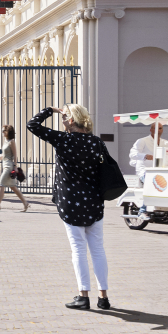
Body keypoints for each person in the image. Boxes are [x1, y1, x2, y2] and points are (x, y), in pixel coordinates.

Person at [27, 104, 113, 311]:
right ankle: (104, 297)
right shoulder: (96, 142)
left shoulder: (63, 139)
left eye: (65, 117)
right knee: (98, 249)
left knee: (78, 249)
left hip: (71, 202)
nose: (63, 121)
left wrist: (50, 110)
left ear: (72, 120)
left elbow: (32, 125)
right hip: (94, 202)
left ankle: (83, 296)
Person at [0, 124, 30, 212]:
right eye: (2, 130)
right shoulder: (6, 141)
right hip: (5, 165)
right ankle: (25, 203)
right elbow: (2, 155)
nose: (2, 132)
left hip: (9, 166)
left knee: (1, 185)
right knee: (13, 187)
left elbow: (15, 155)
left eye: (4, 130)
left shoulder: (12, 141)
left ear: (9, 132)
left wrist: (15, 166)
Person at [128, 121, 168, 186]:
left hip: (160, 173)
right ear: (151, 130)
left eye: (160, 128)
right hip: (145, 172)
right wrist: (145, 156)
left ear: (162, 130)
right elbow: (132, 154)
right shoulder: (142, 141)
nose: (158, 130)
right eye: (155, 128)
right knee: (154, 185)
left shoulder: (165, 143)